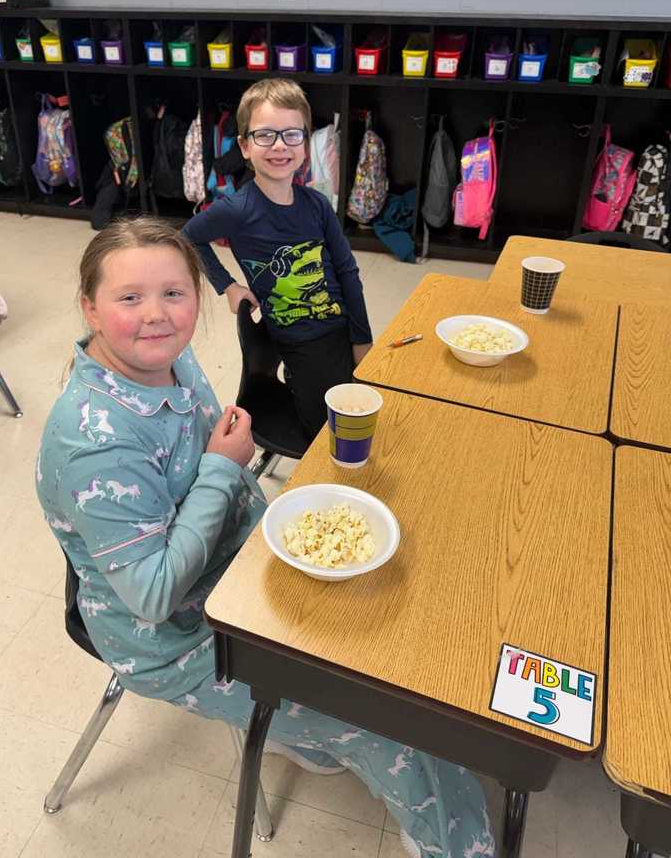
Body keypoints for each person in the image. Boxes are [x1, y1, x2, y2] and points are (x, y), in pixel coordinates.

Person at [36, 217, 495, 858]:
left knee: (404, 594)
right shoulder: (95, 445)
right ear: (90, 306)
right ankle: (455, 843)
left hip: (238, 561)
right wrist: (223, 469)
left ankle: (305, 732)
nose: (157, 315)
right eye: (129, 297)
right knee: (393, 712)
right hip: (177, 638)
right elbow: (152, 597)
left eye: (174, 293)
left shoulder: (166, 357)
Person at [183, 78, 373, 440]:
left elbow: (347, 272)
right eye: (265, 135)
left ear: (305, 144)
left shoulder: (317, 204)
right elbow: (188, 238)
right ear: (244, 146)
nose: (280, 145)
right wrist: (228, 286)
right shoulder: (235, 209)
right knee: (333, 431)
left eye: (292, 134)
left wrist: (361, 338)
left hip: (342, 327)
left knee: (372, 403)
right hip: (300, 340)